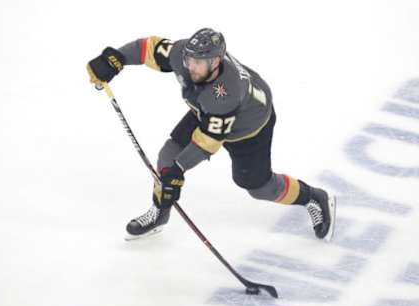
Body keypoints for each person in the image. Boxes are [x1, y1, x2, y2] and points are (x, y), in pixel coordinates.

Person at [87, 28, 336, 241]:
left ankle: (313, 197)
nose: (191, 67)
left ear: (216, 62)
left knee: (259, 188)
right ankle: (160, 211)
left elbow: (207, 142)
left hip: (248, 128)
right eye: (189, 60)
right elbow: (149, 48)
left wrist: (179, 170)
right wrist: (116, 57)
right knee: (168, 155)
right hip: (207, 114)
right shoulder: (187, 55)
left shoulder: (225, 93)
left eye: (199, 63)